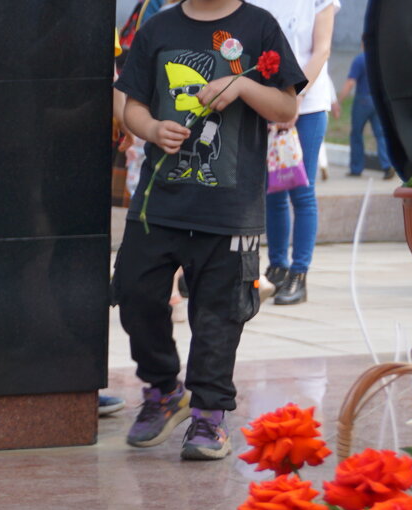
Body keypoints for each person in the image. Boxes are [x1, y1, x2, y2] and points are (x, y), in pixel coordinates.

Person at [113, 0, 306, 460]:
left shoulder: (259, 26)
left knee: (219, 315)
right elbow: (131, 106)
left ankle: (209, 413)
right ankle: (164, 389)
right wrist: (153, 128)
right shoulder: (159, 26)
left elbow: (286, 107)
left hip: (230, 207)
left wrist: (241, 85)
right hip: (157, 204)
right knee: (135, 294)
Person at [247, 0, 338, 305]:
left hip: (307, 106)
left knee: (301, 190)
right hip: (267, 102)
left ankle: (299, 274)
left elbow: (321, 50)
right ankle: (277, 268)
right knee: (272, 190)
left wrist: (295, 96)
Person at [335, 40, 394, 181]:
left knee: (356, 134)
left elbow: (350, 82)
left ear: (362, 43)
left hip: (363, 100)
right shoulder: (381, 59)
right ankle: (387, 166)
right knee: (380, 134)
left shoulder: (360, 60)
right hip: (378, 100)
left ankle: (356, 168)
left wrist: (338, 101)